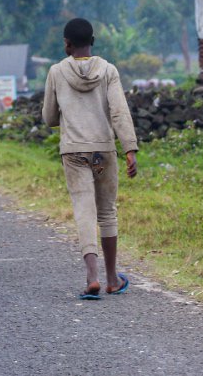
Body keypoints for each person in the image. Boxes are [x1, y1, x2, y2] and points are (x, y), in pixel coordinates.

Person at [42, 18, 138, 300]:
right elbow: (119, 112)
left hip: (73, 152)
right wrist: (130, 148)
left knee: (85, 211)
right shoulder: (108, 70)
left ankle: (91, 278)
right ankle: (112, 279)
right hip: (103, 151)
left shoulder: (56, 72)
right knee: (107, 211)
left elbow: (48, 118)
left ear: (67, 44)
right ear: (92, 41)